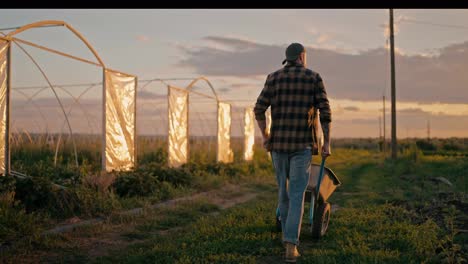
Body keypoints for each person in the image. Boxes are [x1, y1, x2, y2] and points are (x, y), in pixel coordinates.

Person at [254, 42, 332, 263]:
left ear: (287, 59)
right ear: (302, 56)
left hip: (278, 146)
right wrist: (327, 143)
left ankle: (287, 236)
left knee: (283, 192)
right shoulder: (314, 77)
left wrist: (265, 135)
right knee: (298, 195)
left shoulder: (273, 77)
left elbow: (259, 109)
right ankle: (290, 246)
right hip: (302, 146)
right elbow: (325, 112)